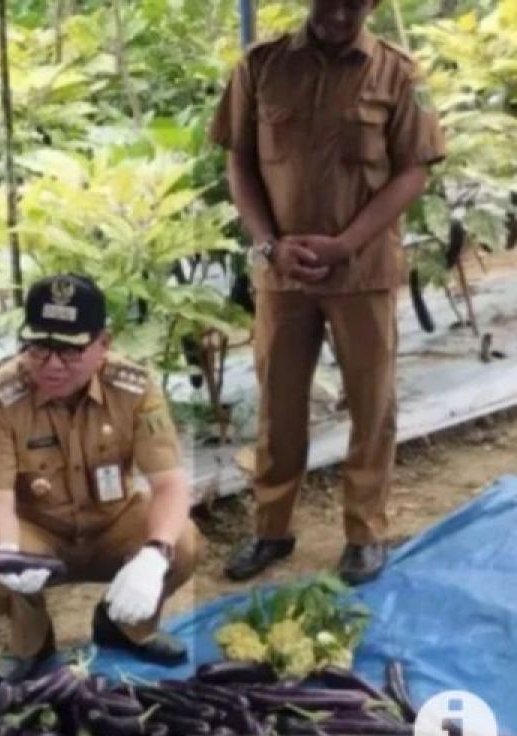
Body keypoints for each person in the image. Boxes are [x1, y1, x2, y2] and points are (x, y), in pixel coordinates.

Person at [210, 0, 445, 586]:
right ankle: (271, 529)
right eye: (329, 1)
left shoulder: (398, 74)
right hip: (283, 273)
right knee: (279, 402)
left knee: (371, 404)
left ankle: (365, 532)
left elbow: (414, 170)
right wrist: (268, 245)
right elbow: (238, 160)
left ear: (371, 5)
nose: (340, 14)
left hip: (361, 272)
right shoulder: (261, 67)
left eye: (354, 3)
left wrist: (346, 244)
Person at [0, 274, 203, 682]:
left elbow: (168, 483)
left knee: (181, 542)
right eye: (39, 347)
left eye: (70, 350)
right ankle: (32, 641)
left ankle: (127, 627)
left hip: (114, 524)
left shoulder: (134, 389)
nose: (52, 365)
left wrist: (154, 554)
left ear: (103, 344)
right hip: (40, 534)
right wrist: (8, 548)